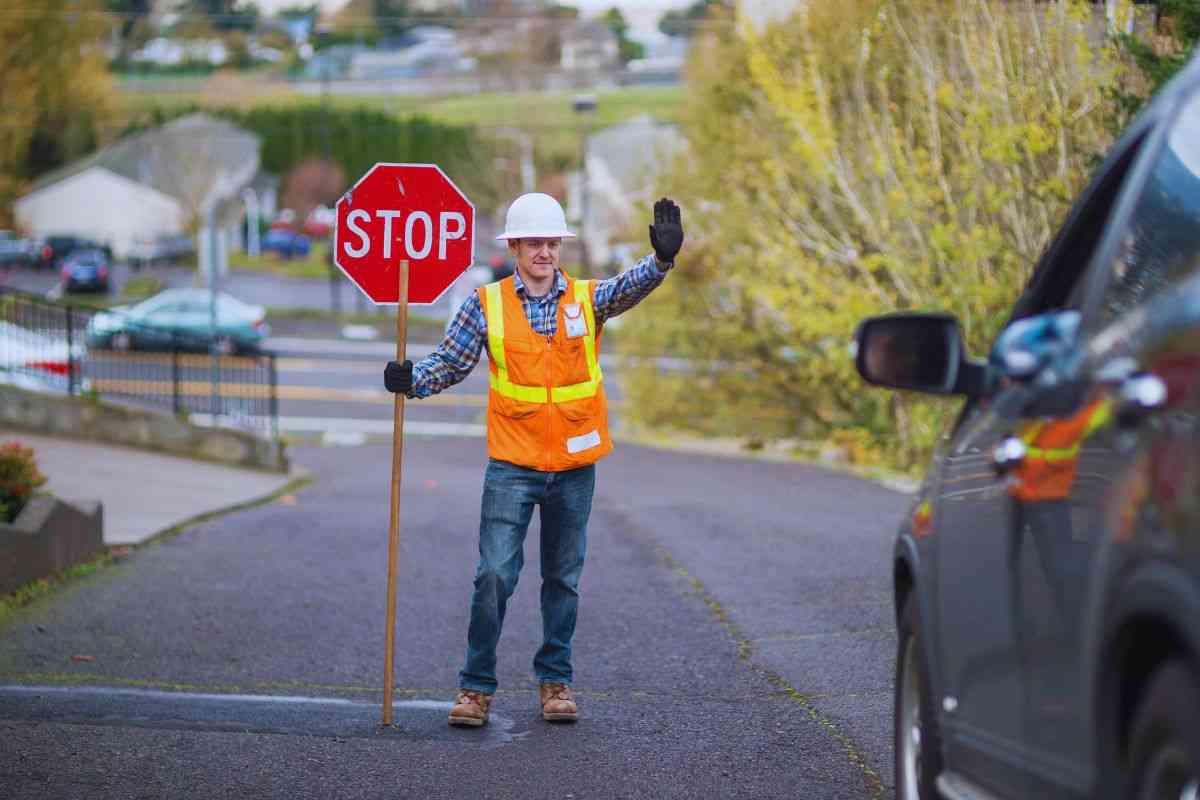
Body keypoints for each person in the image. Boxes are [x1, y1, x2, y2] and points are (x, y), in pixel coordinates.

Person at [383, 192, 684, 727]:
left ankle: (555, 683)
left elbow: (627, 288)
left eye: (552, 242)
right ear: (515, 246)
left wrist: (660, 260)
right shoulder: (487, 303)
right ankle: (475, 688)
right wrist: (414, 381)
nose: (544, 251)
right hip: (513, 466)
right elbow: (451, 363)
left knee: (563, 579)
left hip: (573, 467)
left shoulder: (587, 300)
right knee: (494, 575)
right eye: (534, 242)